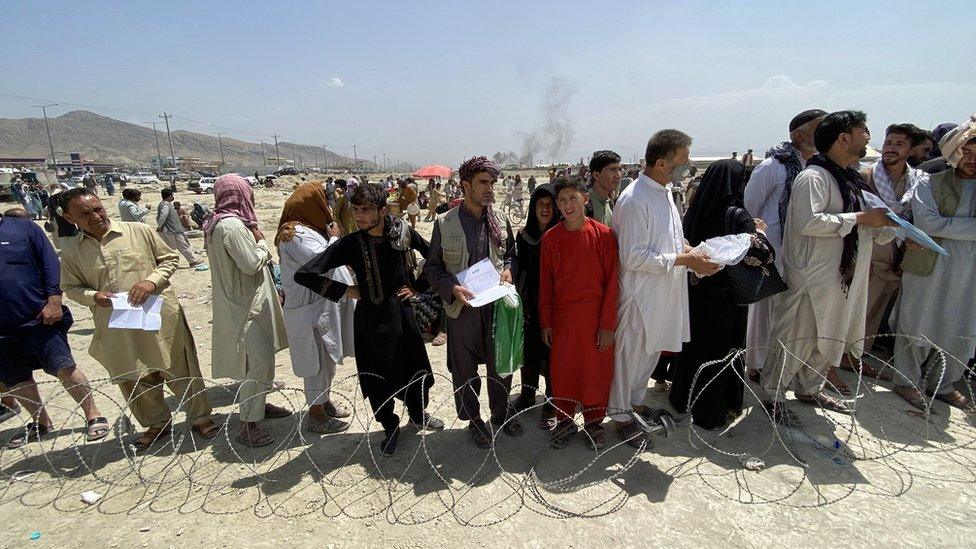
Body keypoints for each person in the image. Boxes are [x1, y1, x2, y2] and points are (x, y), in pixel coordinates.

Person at [760, 111, 897, 420]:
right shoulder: (814, 177)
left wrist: (888, 227)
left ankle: (810, 388)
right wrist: (861, 219)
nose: (868, 137)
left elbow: (866, 220)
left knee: (830, 335)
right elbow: (810, 221)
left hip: (843, 277)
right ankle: (773, 394)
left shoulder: (848, 178)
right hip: (813, 276)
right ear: (843, 138)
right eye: (863, 130)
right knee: (797, 335)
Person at [59, 188, 218, 450]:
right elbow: (71, 287)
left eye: (97, 209)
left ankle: (200, 417)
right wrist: (93, 295)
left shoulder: (138, 231)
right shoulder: (73, 252)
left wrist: (150, 281)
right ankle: (156, 423)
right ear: (69, 217)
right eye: (85, 213)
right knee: (134, 373)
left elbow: (169, 259)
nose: (95, 216)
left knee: (179, 367)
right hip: (116, 323)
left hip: (157, 316)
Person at [296, 184, 444, 457]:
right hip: (370, 323)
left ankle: (417, 415)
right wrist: (346, 290)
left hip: (403, 316)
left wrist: (417, 286)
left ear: (382, 211)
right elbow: (305, 274)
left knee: (415, 369)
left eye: (367, 210)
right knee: (377, 380)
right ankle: (389, 426)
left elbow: (434, 254)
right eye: (356, 209)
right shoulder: (351, 243)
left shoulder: (402, 233)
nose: (360, 216)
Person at [610, 129, 720, 446]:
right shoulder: (634, 200)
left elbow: (670, 239)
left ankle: (635, 402)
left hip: (663, 295)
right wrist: (686, 260)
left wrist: (693, 250)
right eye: (682, 162)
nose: (687, 168)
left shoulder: (665, 192)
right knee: (630, 358)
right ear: (662, 163)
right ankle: (620, 416)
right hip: (640, 298)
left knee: (649, 356)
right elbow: (633, 257)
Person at [423, 156, 523, 448]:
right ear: (465, 185)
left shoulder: (500, 219)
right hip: (462, 309)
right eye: (483, 182)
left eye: (492, 182)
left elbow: (511, 256)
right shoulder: (446, 222)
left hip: (496, 309)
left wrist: (508, 270)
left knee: (500, 364)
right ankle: (474, 420)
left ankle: (501, 414)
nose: (489, 188)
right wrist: (452, 288)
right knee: (464, 370)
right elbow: (432, 267)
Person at [668, 160, 775, 429]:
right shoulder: (738, 215)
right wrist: (759, 231)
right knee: (722, 351)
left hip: (697, 291)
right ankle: (714, 410)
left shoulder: (695, 209)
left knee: (695, 348)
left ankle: (684, 399)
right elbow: (762, 254)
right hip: (727, 296)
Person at [0, 212, 108, 448]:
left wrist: (54, 300)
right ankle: (40, 422)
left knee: (64, 367)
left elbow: (50, 263)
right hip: (2, 330)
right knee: (16, 378)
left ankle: (93, 415)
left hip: (38, 317)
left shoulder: (22, 228)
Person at [892, 119, 976, 410]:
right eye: (967, 152)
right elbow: (928, 222)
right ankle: (905, 380)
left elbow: (939, 224)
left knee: (961, 328)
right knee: (918, 321)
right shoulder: (928, 181)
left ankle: (943, 384)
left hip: (969, 272)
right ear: (955, 152)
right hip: (929, 263)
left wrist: (946, 226)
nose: (972, 160)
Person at [205, 174, 290, 447]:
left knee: (263, 360)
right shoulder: (232, 227)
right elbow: (251, 263)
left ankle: (260, 406)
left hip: (243, 302)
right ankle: (247, 425)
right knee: (256, 365)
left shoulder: (216, 224)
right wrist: (262, 242)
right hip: (247, 308)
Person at [743, 109, 826, 382]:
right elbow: (750, 208)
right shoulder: (773, 167)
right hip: (773, 252)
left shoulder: (818, 169)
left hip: (804, 253)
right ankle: (756, 363)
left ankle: (784, 363)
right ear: (798, 135)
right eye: (818, 127)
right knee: (764, 311)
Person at [539, 176, 619, 449]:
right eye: (562, 200)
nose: (567, 205)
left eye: (573, 198)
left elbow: (612, 284)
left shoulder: (604, 235)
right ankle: (564, 421)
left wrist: (607, 325)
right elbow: (546, 284)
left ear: (585, 198)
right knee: (564, 370)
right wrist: (546, 322)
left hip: (595, 317)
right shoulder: (551, 238)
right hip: (563, 319)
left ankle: (595, 422)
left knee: (595, 371)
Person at [275, 182, 353, 433]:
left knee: (327, 357)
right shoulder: (294, 234)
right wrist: (334, 238)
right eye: (322, 201)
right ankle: (316, 416)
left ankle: (324, 402)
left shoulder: (309, 230)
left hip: (321, 306)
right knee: (315, 362)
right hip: (307, 310)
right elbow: (322, 262)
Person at [858, 124, 928, 365]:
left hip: (899, 254)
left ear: (911, 149)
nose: (890, 149)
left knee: (878, 311)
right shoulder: (866, 176)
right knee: (861, 308)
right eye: (888, 143)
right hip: (871, 251)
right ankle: (845, 355)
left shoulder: (918, 181)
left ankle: (858, 354)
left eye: (899, 144)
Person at [507, 183, 561, 428]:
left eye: (550, 205)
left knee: (552, 356)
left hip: (555, 305)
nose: (545, 210)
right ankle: (528, 395)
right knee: (529, 352)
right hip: (530, 304)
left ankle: (551, 401)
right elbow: (518, 266)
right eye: (540, 205)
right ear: (533, 207)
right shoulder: (524, 235)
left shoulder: (562, 234)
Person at [157, 188, 203, 267]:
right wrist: (160, 226)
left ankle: (192, 261)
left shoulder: (164, 204)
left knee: (179, 246)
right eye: (172, 195)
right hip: (172, 231)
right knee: (180, 246)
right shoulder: (165, 206)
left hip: (172, 230)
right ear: (170, 195)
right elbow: (162, 217)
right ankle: (192, 261)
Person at [585, 150, 621, 225]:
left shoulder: (610, 203)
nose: (618, 175)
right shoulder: (585, 204)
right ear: (596, 175)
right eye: (612, 170)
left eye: (619, 170)